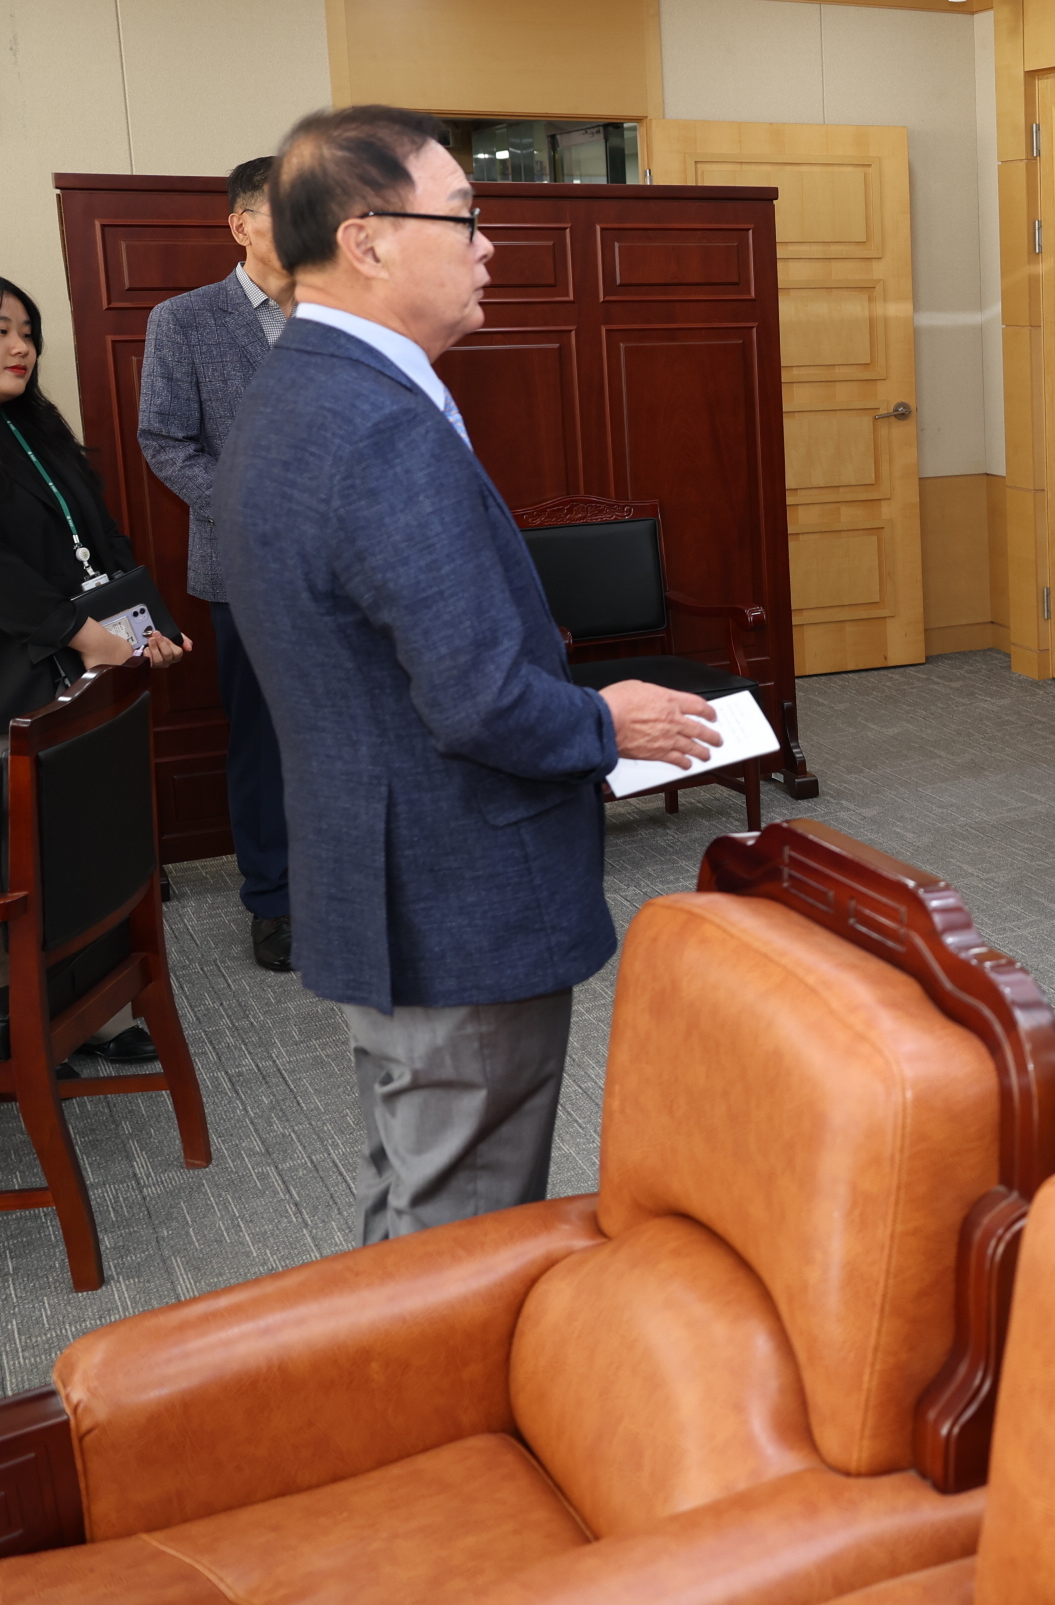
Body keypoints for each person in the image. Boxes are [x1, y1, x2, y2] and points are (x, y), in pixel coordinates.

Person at [215, 105, 716, 1241]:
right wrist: (606, 721)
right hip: (455, 894)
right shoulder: (376, 423)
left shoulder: (295, 389)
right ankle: (429, 1418)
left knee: (410, 1192)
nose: (490, 245)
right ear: (368, 238)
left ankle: (397, 1401)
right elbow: (479, 696)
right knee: (462, 1234)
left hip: (378, 874)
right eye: (468, 218)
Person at [0, 267, 190, 1067]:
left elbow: (104, 542)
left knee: (83, 853)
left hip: (79, 675)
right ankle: (35, 1022)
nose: (21, 346)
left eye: (26, 329)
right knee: (12, 867)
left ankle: (98, 1011)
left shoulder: (32, 427)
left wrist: (150, 627)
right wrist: (80, 635)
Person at [136, 156, 297, 971]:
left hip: (358, 569)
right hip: (247, 570)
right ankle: (274, 902)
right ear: (241, 224)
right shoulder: (185, 320)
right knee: (265, 741)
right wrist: (251, 506)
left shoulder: (355, 312)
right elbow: (164, 441)